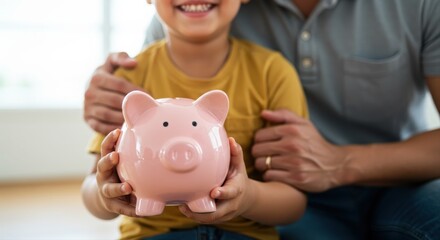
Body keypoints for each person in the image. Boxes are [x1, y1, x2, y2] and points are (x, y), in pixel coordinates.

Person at [84, 0, 440, 239]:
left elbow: (280, 202)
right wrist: (104, 193)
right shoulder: (146, 61)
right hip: (286, 204)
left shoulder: (269, 70)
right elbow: (97, 180)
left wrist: (340, 163)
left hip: (395, 182)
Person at [81, 0, 309, 239]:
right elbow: (91, 187)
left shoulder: (273, 73)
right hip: (154, 234)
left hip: (245, 233)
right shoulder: (127, 79)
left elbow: (294, 205)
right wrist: (105, 195)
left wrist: (247, 197)